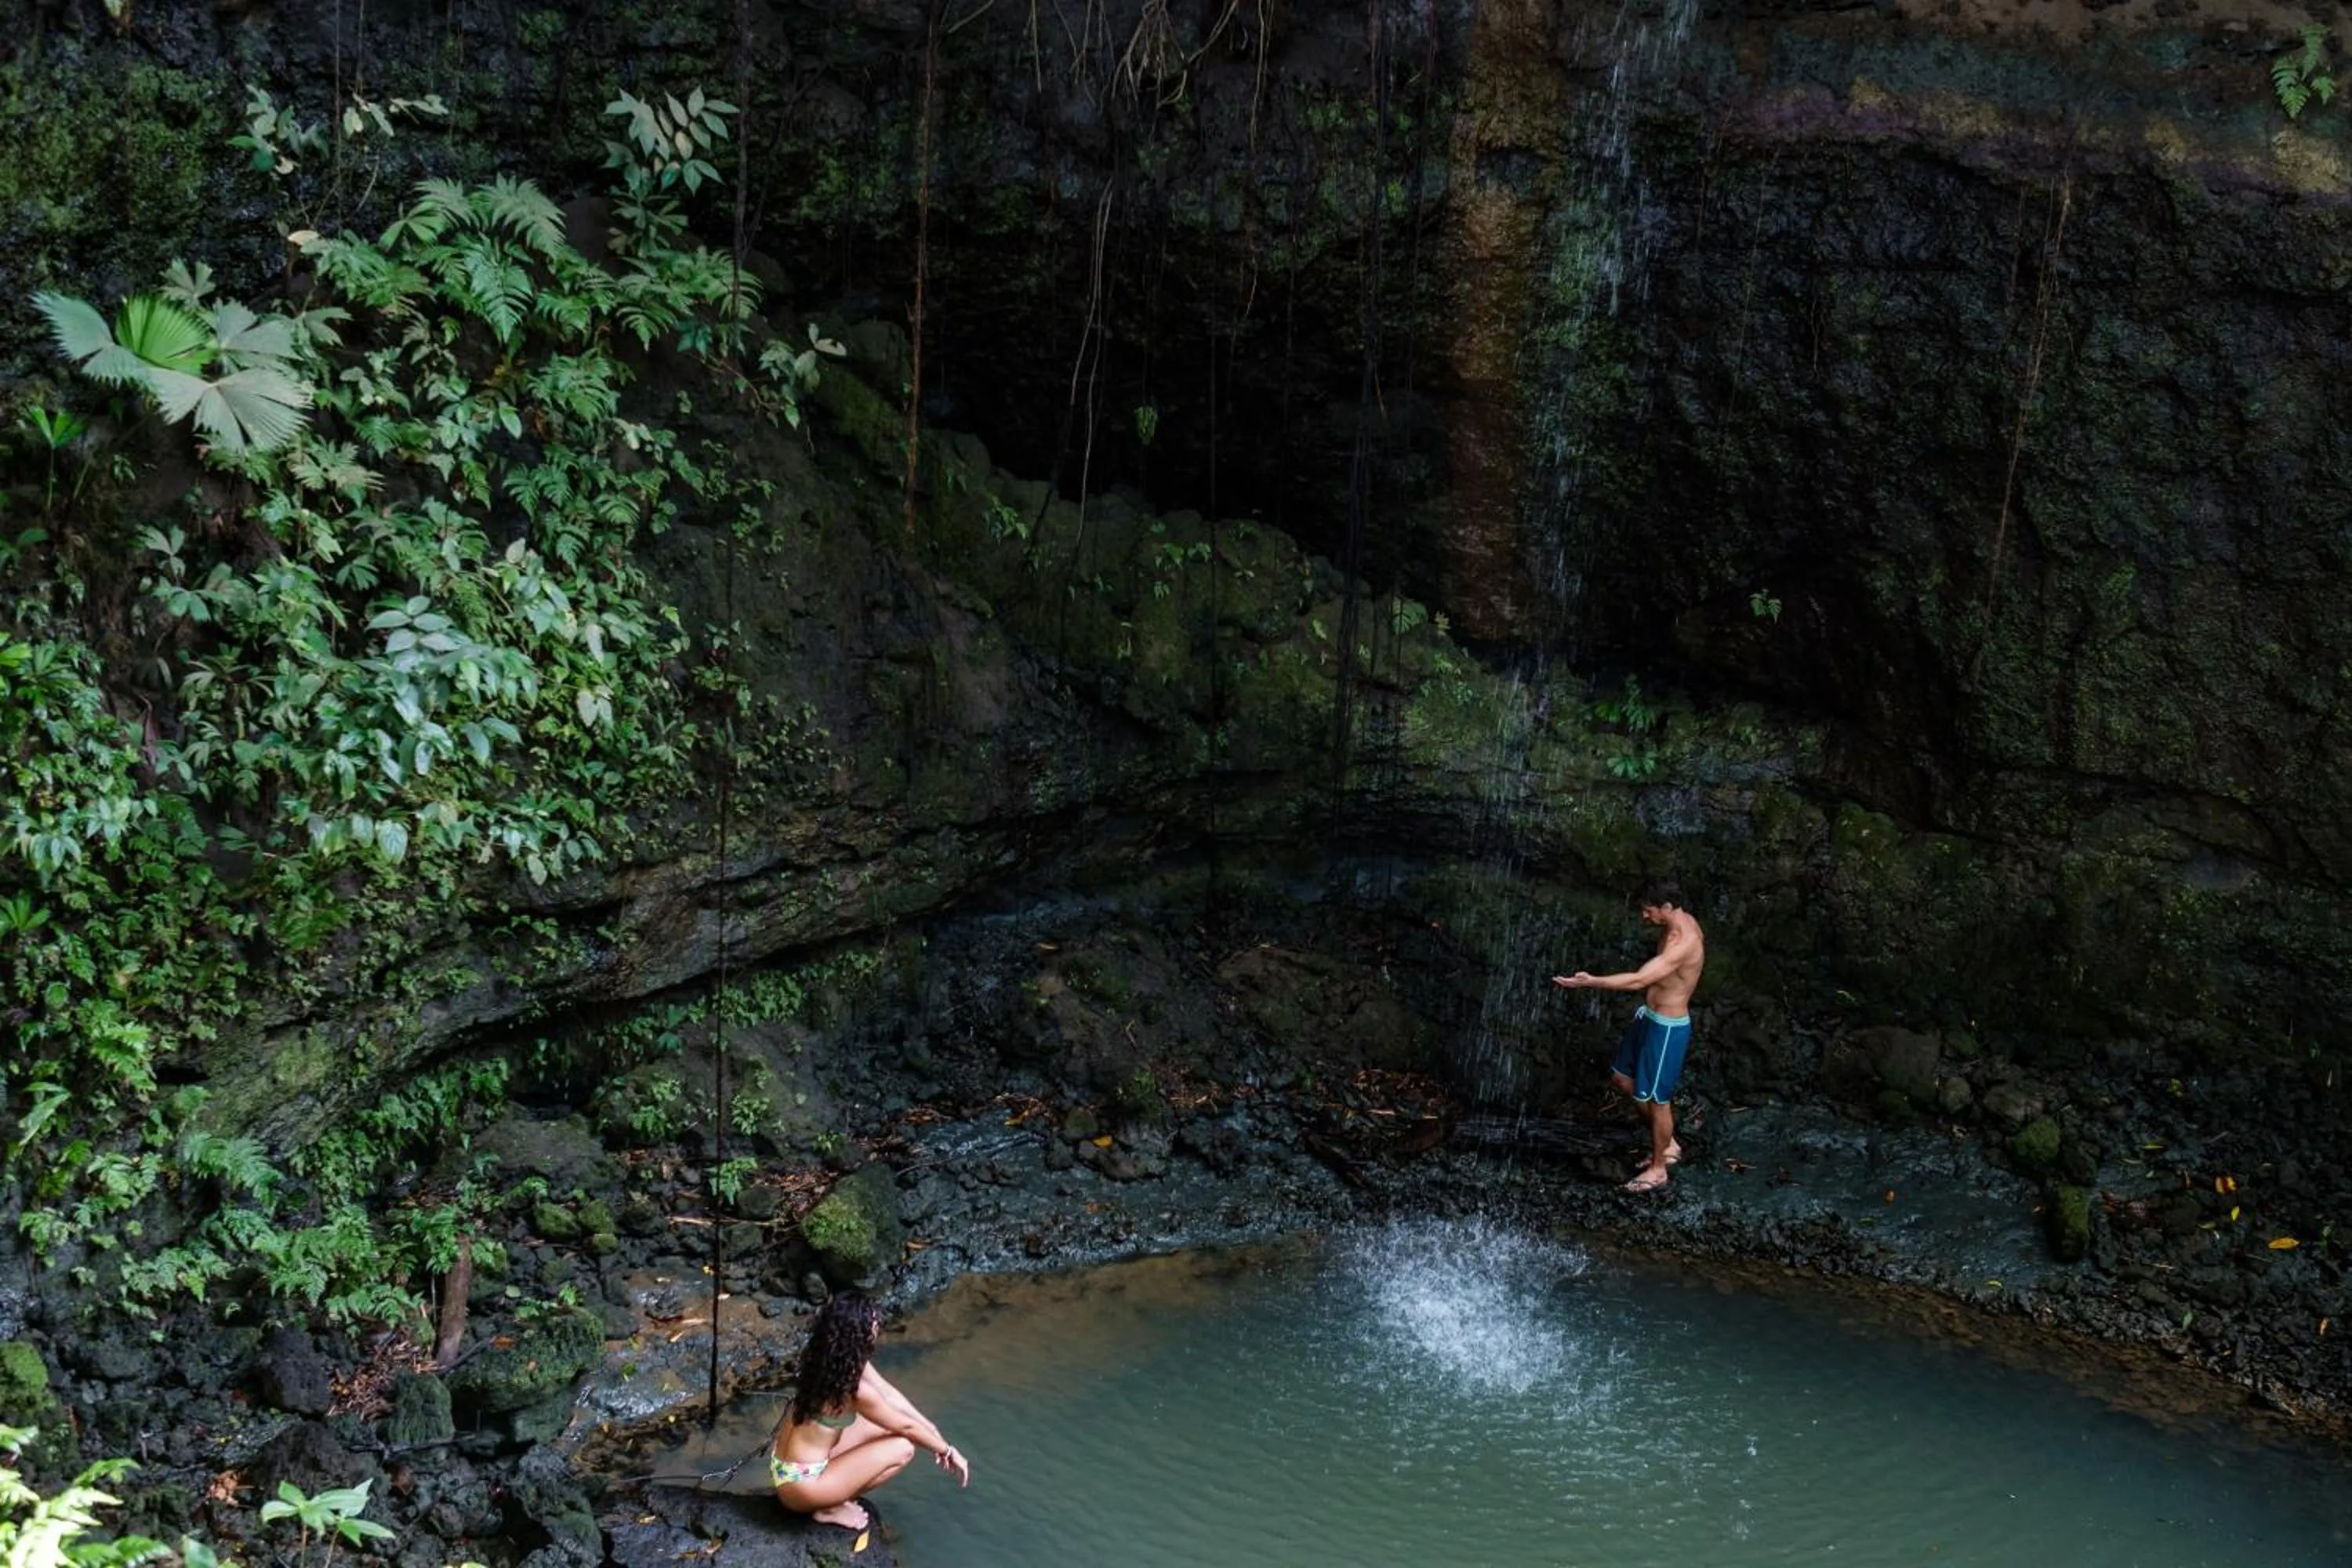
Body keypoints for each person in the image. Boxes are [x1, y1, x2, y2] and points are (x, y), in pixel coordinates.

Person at [771, 1290, 971, 1533]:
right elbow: (905, 1427)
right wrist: (947, 1450)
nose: (877, 1328)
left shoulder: (826, 1357)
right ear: (859, 1334)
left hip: (786, 1466)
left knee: (887, 1425)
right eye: (873, 1324)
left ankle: (829, 1493)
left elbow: (888, 1394)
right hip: (800, 1489)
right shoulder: (853, 1390)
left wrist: (931, 1428)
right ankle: (828, 1506)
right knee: (904, 1447)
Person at [1552, 880, 1705, 1193]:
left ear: (1667, 908)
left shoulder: (1684, 941)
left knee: (1656, 1101)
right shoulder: (1676, 923)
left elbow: (1638, 980)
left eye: (1649, 911)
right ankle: (1669, 1143)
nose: (1645, 917)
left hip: (1667, 1028)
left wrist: (1591, 981)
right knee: (1622, 1079)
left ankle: (1660, 1168)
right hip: (1648, 1016)